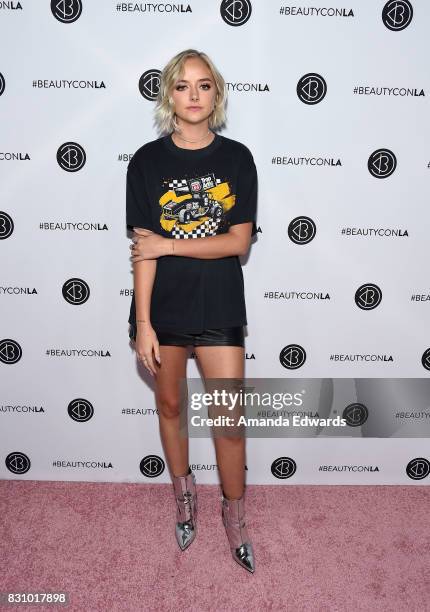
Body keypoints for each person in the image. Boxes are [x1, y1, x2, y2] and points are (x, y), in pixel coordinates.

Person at [126, 49, 258, 574]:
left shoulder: (237, 158)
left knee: (228, 420)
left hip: (221, 301)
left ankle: (236, 514)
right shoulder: (147, 162)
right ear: (169, 96)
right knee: (172, 409)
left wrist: (170, 245)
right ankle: (184, 496)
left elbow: (238, 241)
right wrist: (143, 323)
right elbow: (142, 250)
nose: (194, 95)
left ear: (217, 93)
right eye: (183, 86)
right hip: (163, 308)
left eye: (204, 85)